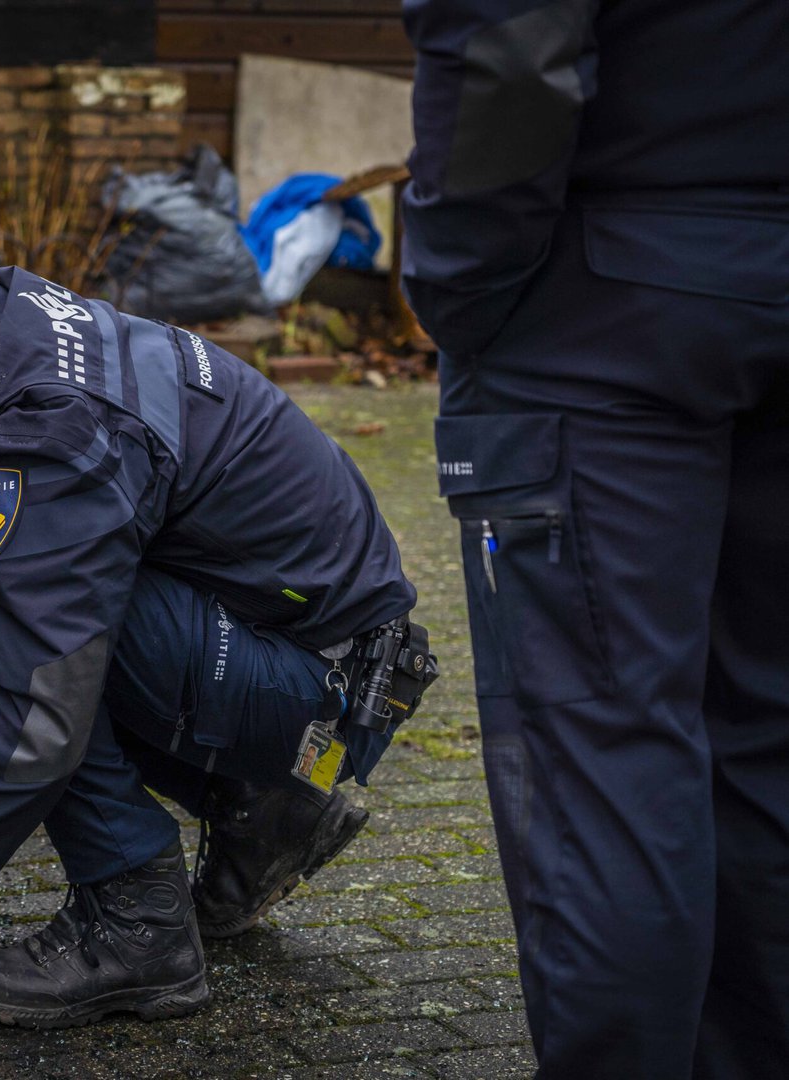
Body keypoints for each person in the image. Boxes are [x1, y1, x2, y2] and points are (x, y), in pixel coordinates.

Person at [0, 247, 430, 1028]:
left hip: (323, 701)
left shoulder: (53, 435)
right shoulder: (5, 351)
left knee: (20, 619)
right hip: (303, 663)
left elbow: (42, 720)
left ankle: (137, 926)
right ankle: (265, 809)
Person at [401, 2, 789, 1076]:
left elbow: (512, 43)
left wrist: (457, 273)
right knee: (765, 737)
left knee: (605, 748)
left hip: (601, 301)